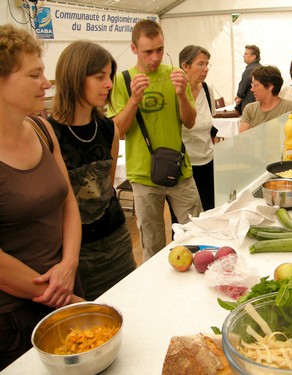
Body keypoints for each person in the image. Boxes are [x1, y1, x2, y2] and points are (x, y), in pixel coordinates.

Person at [0, 24, 85, 369]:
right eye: (35, 75)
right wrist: (60, 293)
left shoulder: (41, 128)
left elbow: (68, 202)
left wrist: (68, 265)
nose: (47, 84)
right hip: (17, 316)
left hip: (65, 285)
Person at [48, 41, 136, 300]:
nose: (109, 84)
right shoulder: (49, 133)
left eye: (109, 76)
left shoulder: (109, 129)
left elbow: (106, 188)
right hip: (77, 252)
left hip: (117, 239)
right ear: (75, 77)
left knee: (129, 304)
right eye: (99, 77)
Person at [108, 20, 202, 263]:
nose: (155, 57)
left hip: (180, 170)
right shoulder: (121, 80)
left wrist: (181, 95)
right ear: (133, 49)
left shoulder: (176, 75)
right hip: (142, 174)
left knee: (197, 235)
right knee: (152, 244)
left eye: (160, 49)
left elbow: (190, 122)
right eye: (148, 51)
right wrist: (133, 100)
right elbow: (118, 131)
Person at [178, 45, 217, 211]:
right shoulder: (175, 92)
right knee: (185, 219)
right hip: (183, 167)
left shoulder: (207, 90)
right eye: (201, 64)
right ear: (185, 66)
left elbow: (211, 125)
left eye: (207, 64)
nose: (206, 69)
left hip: (208, 163)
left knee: (210, 212)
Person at [239, 65, 292, 133]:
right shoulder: (250, 109)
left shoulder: (289, 108)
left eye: (255, 85)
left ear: (270, 86)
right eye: (252, 85)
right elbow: (242, 139)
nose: (252, 89)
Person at [234, 44, 262, 114]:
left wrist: (239, 97)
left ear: (253, 56)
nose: (244, 56)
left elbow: (243, 86)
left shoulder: (250, 70)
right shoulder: (261, 68)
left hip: (249, 105)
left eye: (246, 54)